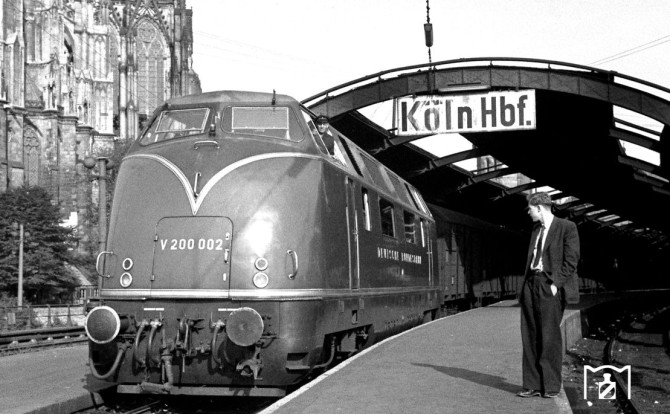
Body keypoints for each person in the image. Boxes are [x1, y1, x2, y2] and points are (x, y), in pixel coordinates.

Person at [517, 192, 580, 399]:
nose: (528, 212)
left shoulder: (567, 227)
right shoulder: (536, 229)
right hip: (531, 284)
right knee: (530, 335)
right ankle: (532, 385)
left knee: (549, 336)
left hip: (549, 285)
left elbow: (571, 260)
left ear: (539, 208)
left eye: (530, 209)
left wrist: (555, 285)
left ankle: (551, 386)